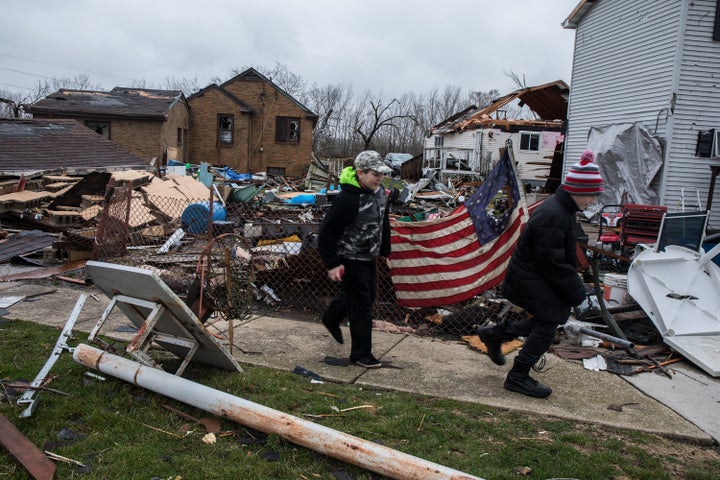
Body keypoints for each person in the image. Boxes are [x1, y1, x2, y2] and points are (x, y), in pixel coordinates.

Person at [476, 149, 604, 398]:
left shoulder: (562, 210)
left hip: (533, 276)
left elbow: (554, 257)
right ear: (577, 190)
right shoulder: (555, 214)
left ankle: (495, 334)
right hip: (529, 278)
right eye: (590, 195)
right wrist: (578, 292)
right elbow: (551, 262)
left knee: (549, 319)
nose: (592, 201)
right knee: (548, 323)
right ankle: (518, 377)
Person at [318, 150, 392, 368]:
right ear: (360, 173)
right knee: (361, 306)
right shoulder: (348, 199)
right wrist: (332, 262)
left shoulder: (379, 193)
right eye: (374, 174)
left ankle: (331, 316)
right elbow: (327, 232)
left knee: (365, 298)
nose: (379, 178)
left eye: (381, 174)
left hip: (368, 256)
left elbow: (383, 222)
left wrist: (386, 250)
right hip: (349, 257)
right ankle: (361, 354)